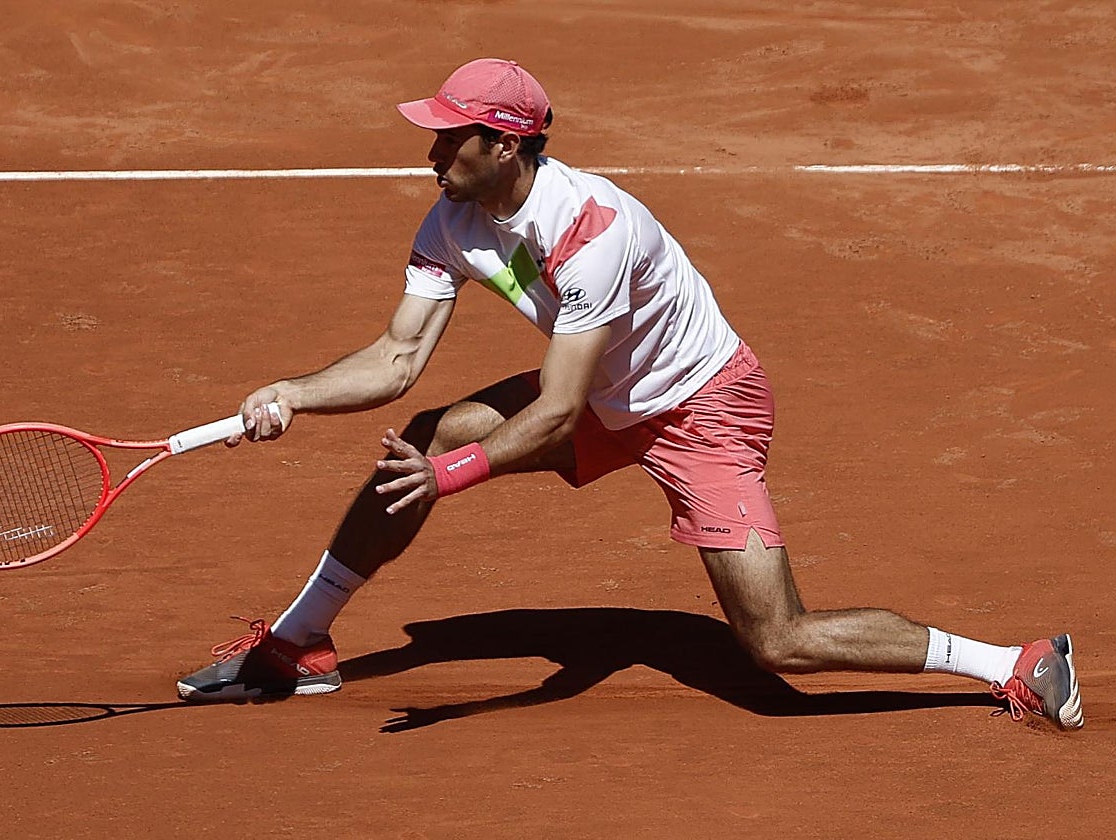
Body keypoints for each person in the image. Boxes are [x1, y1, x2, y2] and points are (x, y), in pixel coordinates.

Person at [176, 58, 1083, 730]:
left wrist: (450, 476)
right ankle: (301, 644)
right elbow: (398, 355)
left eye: (452, 135)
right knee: (427, 424)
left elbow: (559, 412)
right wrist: (292, 392)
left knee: (777, 643)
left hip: (700, 405)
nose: (433, 147)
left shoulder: (592, 229)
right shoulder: (453, 216)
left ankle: (1014, 660)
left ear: (504, 143)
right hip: (608, 389)